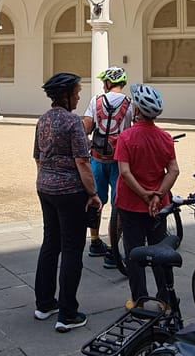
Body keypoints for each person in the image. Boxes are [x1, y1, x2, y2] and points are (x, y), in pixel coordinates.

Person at [33, 72, 101, 333]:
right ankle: (68, 313)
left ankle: (44, 304)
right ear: (65, 95)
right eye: (76, 92)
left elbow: (38, 158)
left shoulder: (43, 120)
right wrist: (93, 193)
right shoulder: (73, 122)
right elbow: (82, 162)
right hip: (71, 192)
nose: (79, 96)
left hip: (45, 188)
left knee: (50, 244)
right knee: (72, 249)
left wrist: (48, 178)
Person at [114, 83, 180, 309]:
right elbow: (173, 170)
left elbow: (124, 171)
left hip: (131, 203)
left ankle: (139, 299)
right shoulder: (165, 138)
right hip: (158, 205)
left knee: (134, 252)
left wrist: (143, 194)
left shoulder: (126, 137)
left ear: (137, 109)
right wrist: (158, 194)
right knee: (160, 250)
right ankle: (165, 298)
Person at [82, 66, 133, 269]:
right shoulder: (130, 103)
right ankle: (112, 251)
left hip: (96, 157)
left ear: (109, 82)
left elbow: (86, 126)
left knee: (96, 200)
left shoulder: (96, 101)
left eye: (105, 81)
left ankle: (94, 242)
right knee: (118, 204)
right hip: (119, 160)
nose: (103, 84)